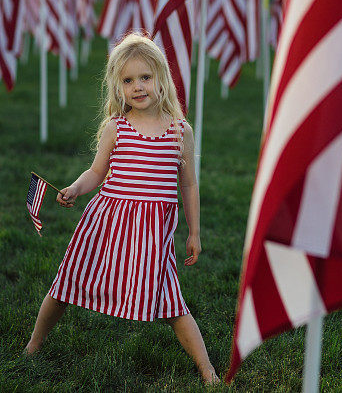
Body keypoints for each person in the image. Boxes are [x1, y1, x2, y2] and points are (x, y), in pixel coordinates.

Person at [24, 34, 219, 385]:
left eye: (145, 77)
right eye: (128, 80)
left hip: (151, 235)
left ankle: (207, 370)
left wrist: (194, 232)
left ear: (162, 77)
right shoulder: (117, 128)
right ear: (118, 86)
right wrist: (75, 188)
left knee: (171, 301)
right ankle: (33, 345)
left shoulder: (180, 132)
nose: (138, 87)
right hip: (107, 225)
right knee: (67, 284)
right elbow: (97, 172)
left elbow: (188, 184)